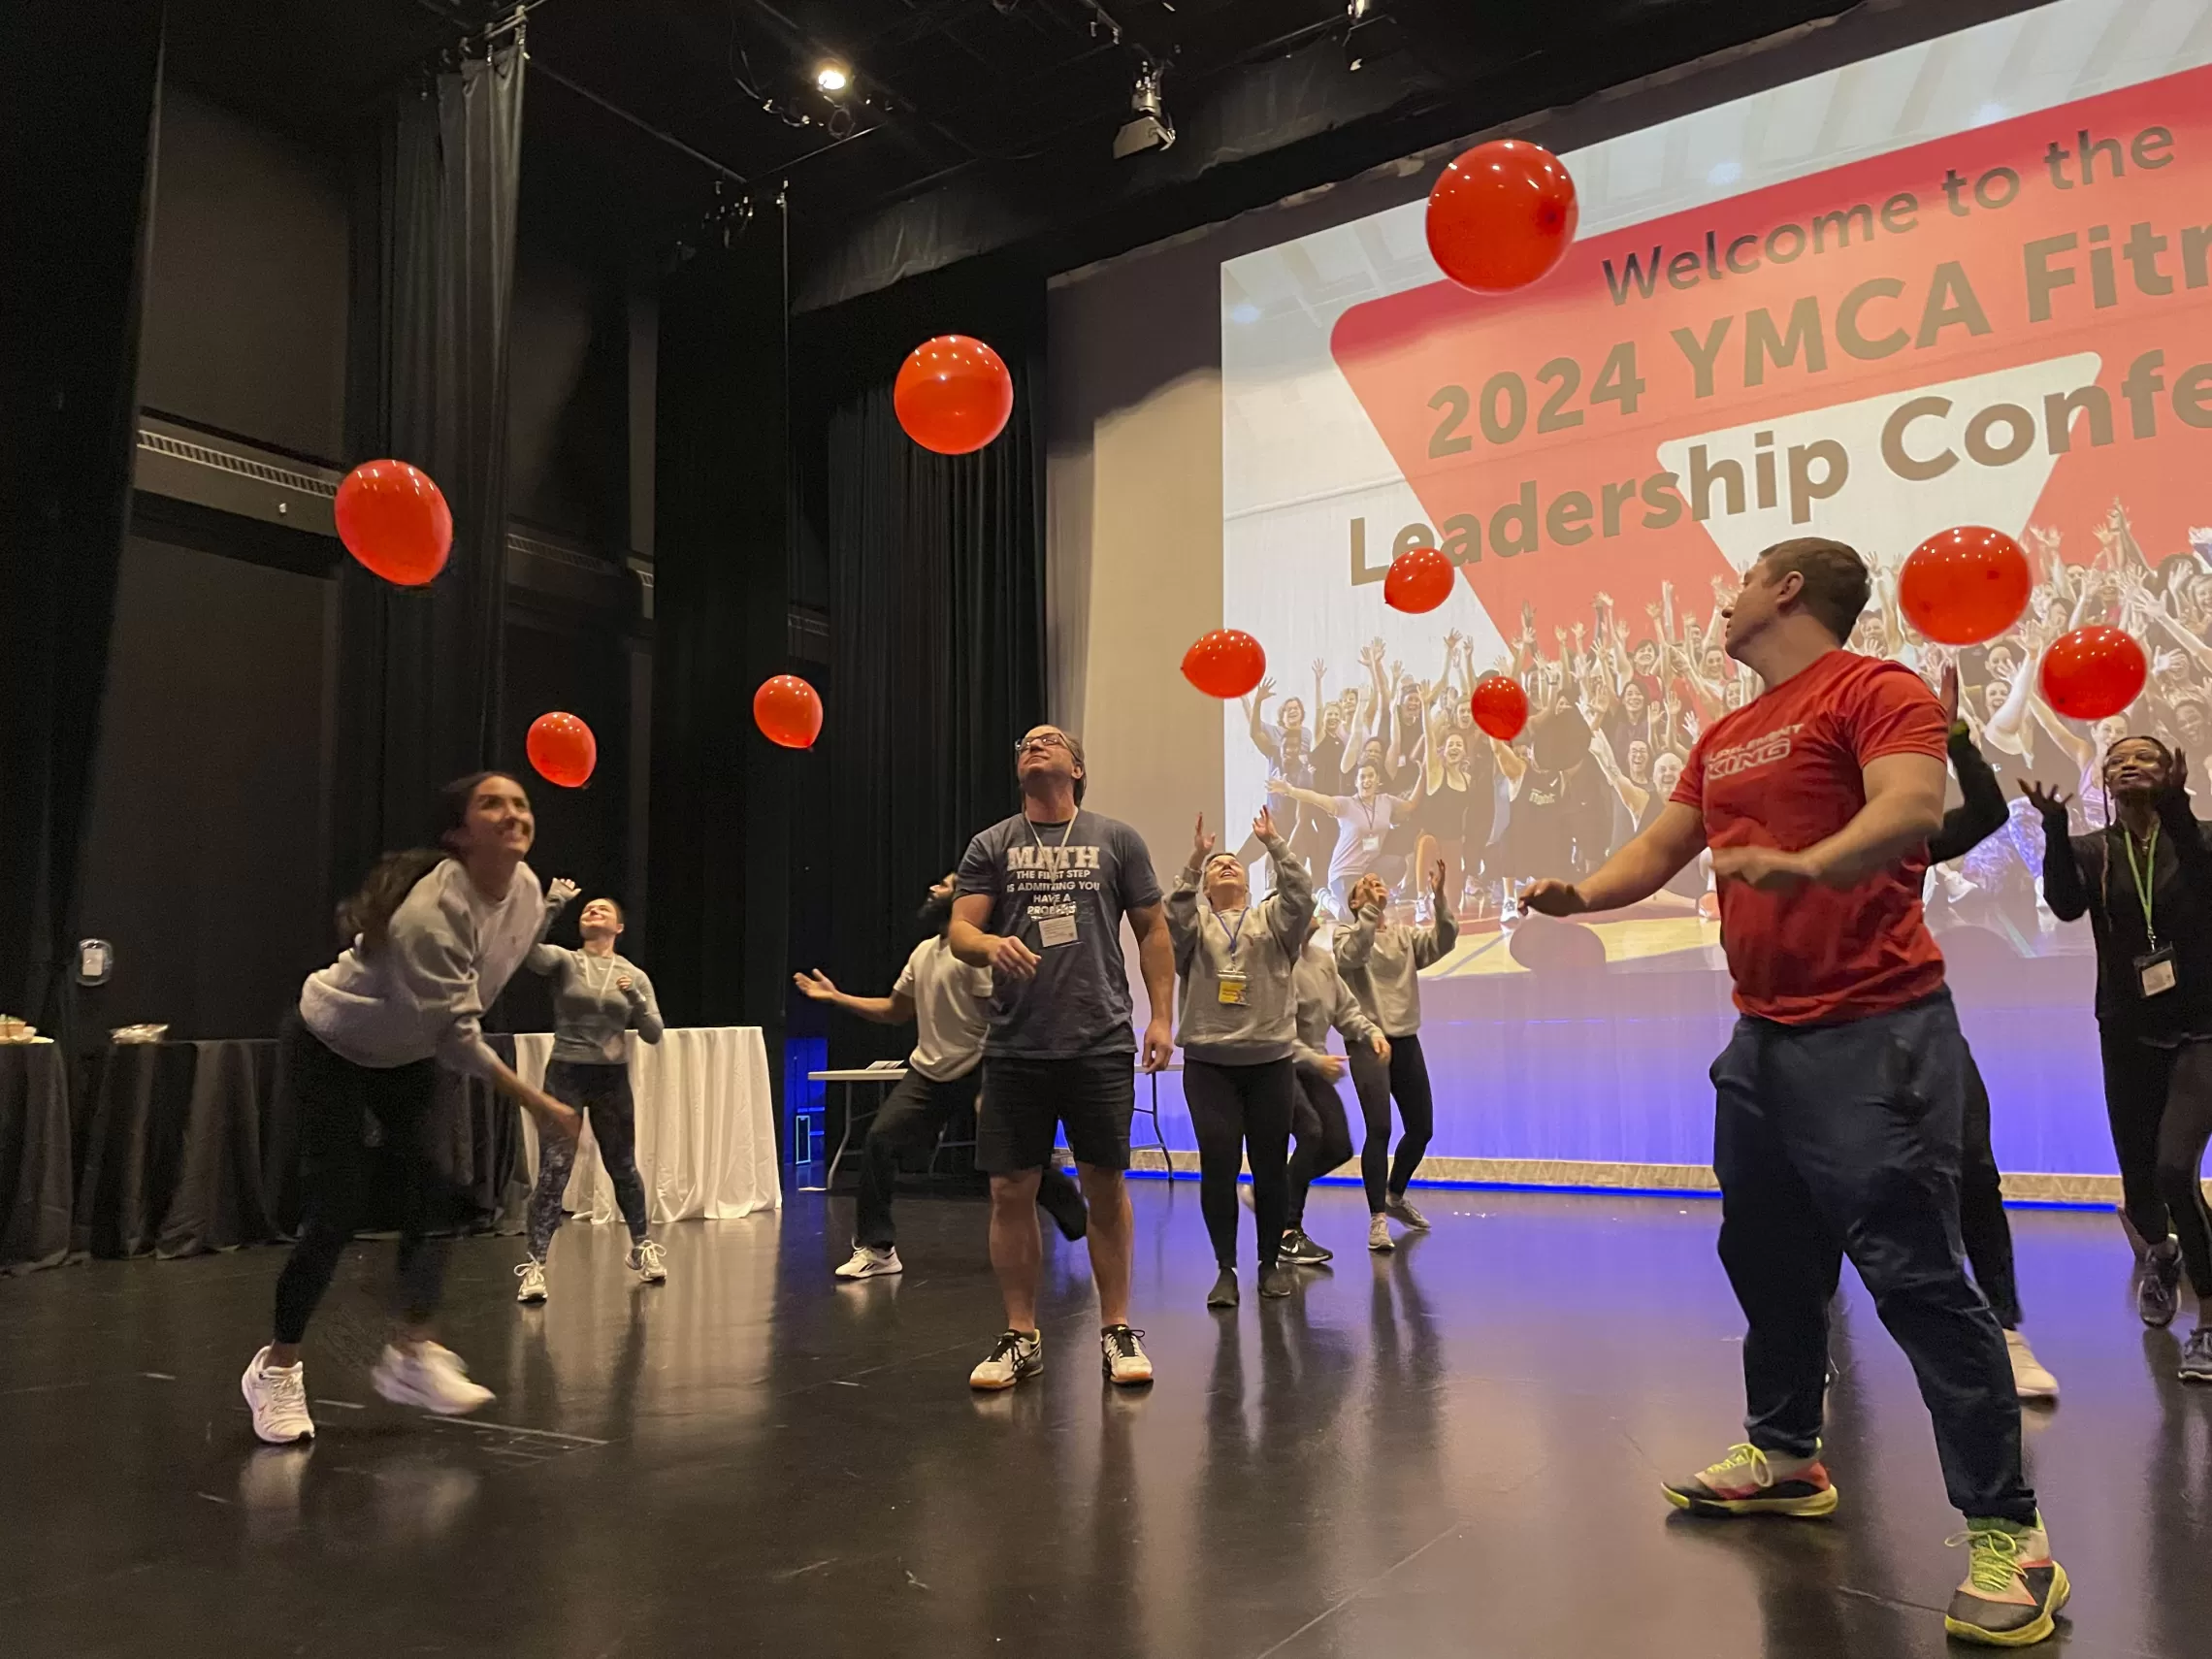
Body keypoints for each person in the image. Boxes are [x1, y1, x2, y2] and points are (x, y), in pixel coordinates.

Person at [1524, 537, 2063, 1648]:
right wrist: (1580, 896)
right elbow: (1661, 848)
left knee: (1915, 1276)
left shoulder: (1878, 690)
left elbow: (1914, 805)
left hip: (1876, 1029)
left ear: (1784, 590)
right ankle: (1784, 1455)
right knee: (1766, 1260)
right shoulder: (1723, 733)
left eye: (1739, 583)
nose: (1720, 605)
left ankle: (2015, 1536)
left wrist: (1810, 865)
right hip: (1763, 1040)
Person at [241, 772, 582, 1446]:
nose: (513, 813)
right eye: (493, 804)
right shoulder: (429, 911)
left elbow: (475, 995)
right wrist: (540, 1102)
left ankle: (412, 1353)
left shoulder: (525, 892)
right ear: (458, 834)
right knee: (336, 1209)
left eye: (520, 802)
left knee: (436, 1192)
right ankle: (276, 1369)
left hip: (405, 1051)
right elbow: (458, 1039)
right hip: (331, 1041)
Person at [951, 725, 1174, 1390]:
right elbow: (961, 929)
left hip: (1099, 1037)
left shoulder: (1116, 839)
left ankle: (1116, 1329)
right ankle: (1021, 1335)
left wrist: (1161, 1014)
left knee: (1103, 1185)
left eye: (1048, 741)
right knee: (1008, 1188)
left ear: (1077, 767)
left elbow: (1154, 930)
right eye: (1022, 743)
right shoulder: (993, 843)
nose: (1032, 746)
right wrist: (988, 947)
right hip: (1017, 1041)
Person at [793, 873, 1087, 1279]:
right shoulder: (924, 953)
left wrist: (1001, 1076)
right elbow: (897, 1010)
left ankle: (1078, 1217)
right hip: (929, 1071)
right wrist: (837, 997)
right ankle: (878, 1249)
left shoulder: (977, 956)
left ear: (964, 898)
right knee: (880, 1140)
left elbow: (1000, 1015)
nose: (933, 888)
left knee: (1013, 1156)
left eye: (945, 884)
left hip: (981, 1066)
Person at [2032, 734, 2212, 1384]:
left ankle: (2210, 1323)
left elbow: (2203, 872)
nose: (2130, 765)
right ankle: (2163, 1257)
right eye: (2119, 760)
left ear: (2169, 774)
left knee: (2173, 1169)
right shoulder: (2094, 851)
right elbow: (2064, 904)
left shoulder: (2200, 837)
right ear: (2104, 780)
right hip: (2126, 1031)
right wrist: (2055, 830)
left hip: (2200, 1031)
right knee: (2140, 1177)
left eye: (2146, 758)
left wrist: (2181, 808)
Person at [1922, 667, 2060, 1401]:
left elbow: (1983, 812)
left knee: (1975, 1172)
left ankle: (2006, 1329)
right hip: (1834, 1036)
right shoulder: (1793, 850)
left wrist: (1953, 737)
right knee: (1821, 1196)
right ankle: (1810, 1348)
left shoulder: (1900, 841)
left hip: (1921, 1022)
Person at [1167, 807, 1314, 1308]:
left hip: (1269, 1062)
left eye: (1234, 862)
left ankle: (1268, 1264)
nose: (1225, 865)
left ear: (1249, 883)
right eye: (1217, 865)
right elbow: (1174, 912)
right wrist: (1194, 859)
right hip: (1210, 1065)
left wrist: (1275, 843)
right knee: (1219, 1163)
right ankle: (1225, 1268)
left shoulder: (1273, 919)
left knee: (1270, 1167)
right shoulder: (1196, 926)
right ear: (1206, 886)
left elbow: (1302, 896)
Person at [513, 888, 667, 1303]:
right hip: (566, 1074)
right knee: (554, 1171)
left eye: (603, 909)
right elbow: (527, 952)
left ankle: (641, 1246)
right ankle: (534, 1266)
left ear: (618, 927)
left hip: (610, 1080)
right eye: (587, 910)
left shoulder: (633, 975)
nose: (593, 911)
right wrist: (551, 906)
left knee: (622, 1167)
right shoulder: (566, 961)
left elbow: (654, 1032)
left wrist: (634, 998)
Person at [1335, 862, 1455, 1253]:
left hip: (1404, 1039)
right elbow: (1351, 956)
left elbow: (1443, 941)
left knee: (1421, 1128)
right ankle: (1377, 1219)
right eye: (1363, 886)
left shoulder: (1403, 935)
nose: (1372, 884)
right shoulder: (1345, 933)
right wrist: (1369, 913)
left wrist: (1438, 900)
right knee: (1379, 1129)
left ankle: (1395, 1194)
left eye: (1376, 881)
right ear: (1354, 902)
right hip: (1368, 1040)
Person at [1283, 914, 1388, 1266]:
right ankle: (1288, 1231)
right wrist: (1314, 1060)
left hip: (1313, 1064)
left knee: (1339, 1146)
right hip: (1280, 1064)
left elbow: (1346, 1010)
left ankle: (1275, 1191)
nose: (1310, 909)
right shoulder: (1277, 963)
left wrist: (1370, 1032)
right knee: (1311, 1133)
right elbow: (1273, 1030)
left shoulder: (1322, 961)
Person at [1268, 759, 1414, 917]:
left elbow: (1411, 805)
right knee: (1351, 917)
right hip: (1344, 874)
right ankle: (1324, 897)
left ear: (1378, 779)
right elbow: (1316, 798)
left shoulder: (1386, 801)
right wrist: (1289, 790)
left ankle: (1378, 896)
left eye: (1370, 776)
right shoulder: (1346, 805)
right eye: (1362, 777)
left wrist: (1425, 775)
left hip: (1367, 871)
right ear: (1356, 782)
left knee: (1398, 864)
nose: (1367, 781)